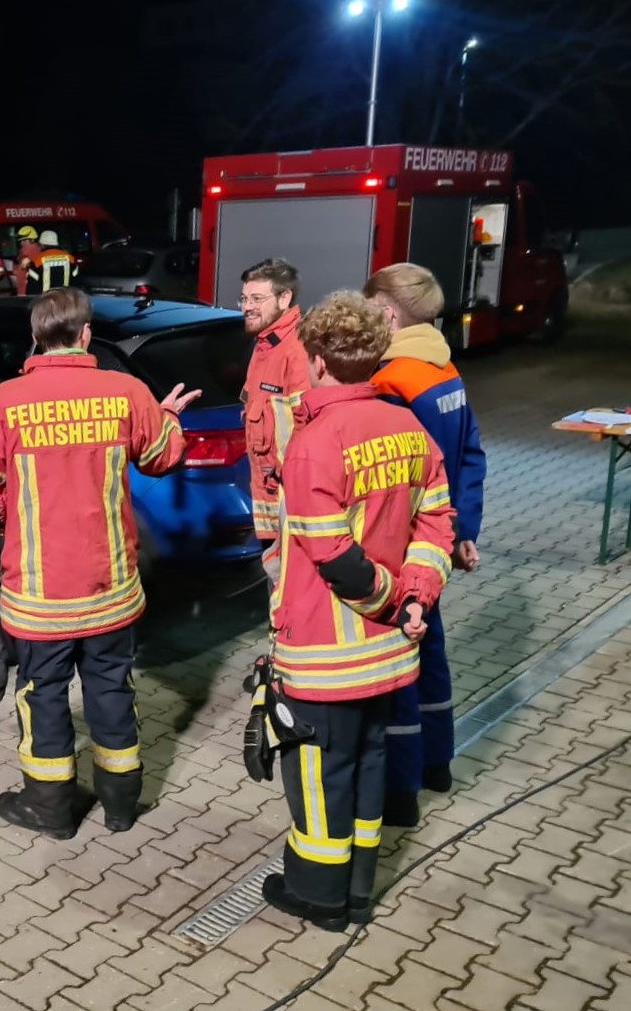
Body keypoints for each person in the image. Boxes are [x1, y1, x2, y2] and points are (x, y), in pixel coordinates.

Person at [0, 287, 202, 837]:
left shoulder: (2, 402)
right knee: (111, 688)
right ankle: (120, 806)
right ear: (86, 335)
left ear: (35, 338)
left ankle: (50, 811)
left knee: (43, 695)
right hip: (111, 587)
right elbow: (163, 457)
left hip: (39, 595)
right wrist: (165, 417)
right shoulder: (125, 392)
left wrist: (15, 531)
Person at [260, 290, 455, 931]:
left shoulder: (316, 443)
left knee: (317, 774)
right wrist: (418, 599)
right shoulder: (410, 429)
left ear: (316, 360)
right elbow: (436, 525)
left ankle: (317, 897)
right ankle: (359, 890)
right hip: (392, 654)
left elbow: (335, 558)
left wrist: (391, 600)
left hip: (327, 653)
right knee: (370, 766)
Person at [366, 263, 486, 826]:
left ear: (388, 314)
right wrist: (463, 533)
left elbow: (387, 479)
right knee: (432, 657)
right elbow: (469, 459)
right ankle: (438, 764)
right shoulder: (445, 369)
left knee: (396, 672)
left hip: (400, 549)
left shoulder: (393, 382)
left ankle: (400, 792)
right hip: (438, 542)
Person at [240, 258, 312, 585]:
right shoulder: (265, 345)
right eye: (244, 299)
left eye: (257, 299)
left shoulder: (296, 350)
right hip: (270, 506)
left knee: (287, 596)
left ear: (285, 299)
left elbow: (308, 430)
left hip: (293, 508)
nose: (247, 307)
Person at [14, 225, 42, 295]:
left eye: (24, 240)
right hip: (27, 292)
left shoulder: (28, 252)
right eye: (20, 241)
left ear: (31, 240)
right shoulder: (37, 252)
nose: (21, 243)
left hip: (27, 293)